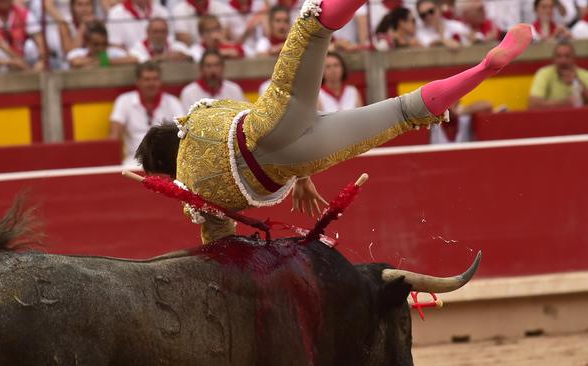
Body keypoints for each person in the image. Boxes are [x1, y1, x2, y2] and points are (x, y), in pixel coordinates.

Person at [135, 0, 533, 243]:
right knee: (313, 28)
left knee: (404, 112)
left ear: (164, 169)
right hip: (274, 120)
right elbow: (236, 118)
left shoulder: (194, 194)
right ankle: (485, 60)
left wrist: (300, 177)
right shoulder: (200, 114)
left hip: (299, 157)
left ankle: (483, 69)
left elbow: (220, 244)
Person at [110, 61, 185, 165]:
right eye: (146, 79)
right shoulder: (124, 101)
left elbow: (184, 133)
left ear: (160, 81)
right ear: (138, 82)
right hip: (133, 161)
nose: (151, 84)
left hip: (165, 163)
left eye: (155, 79)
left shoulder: (173, 102)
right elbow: (114, 136)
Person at [0, 0, 46, 68]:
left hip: (22, 58)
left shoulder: (24, 13)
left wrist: (42, 61)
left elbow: (39, 38)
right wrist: (3, 47)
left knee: (30, 46)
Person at [529, 40, 588, 108]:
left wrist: (578, 83)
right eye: (559, 56)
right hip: (551, 118)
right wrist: (565, 103)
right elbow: (533, 104)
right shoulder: (544, 73)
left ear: (574, 58)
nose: (563, 61)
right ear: (553, 59)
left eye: (567, 56)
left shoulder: (585, 75)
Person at [179, 50, 245, 110]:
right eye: (208, 66)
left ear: (223, 68)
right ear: (201, 69)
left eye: (217, 65)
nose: (213, 70)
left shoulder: (234, 90)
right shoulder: (189, 93)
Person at [67, 20, 138, 68]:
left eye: (104, 44)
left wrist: (105, 61)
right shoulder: (77, 52)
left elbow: (134, 60)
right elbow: (75, 62)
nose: (100, 48)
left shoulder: (113, 52)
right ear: (87, 42)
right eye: (96, 44)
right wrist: (100, 61)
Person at [172, 0, 238, 46]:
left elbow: (225, 32)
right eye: (207, 31)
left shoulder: (220, 7)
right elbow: (183, 38)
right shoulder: (179, 9)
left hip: (218, 49)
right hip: (194, 51)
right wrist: (203, 47)